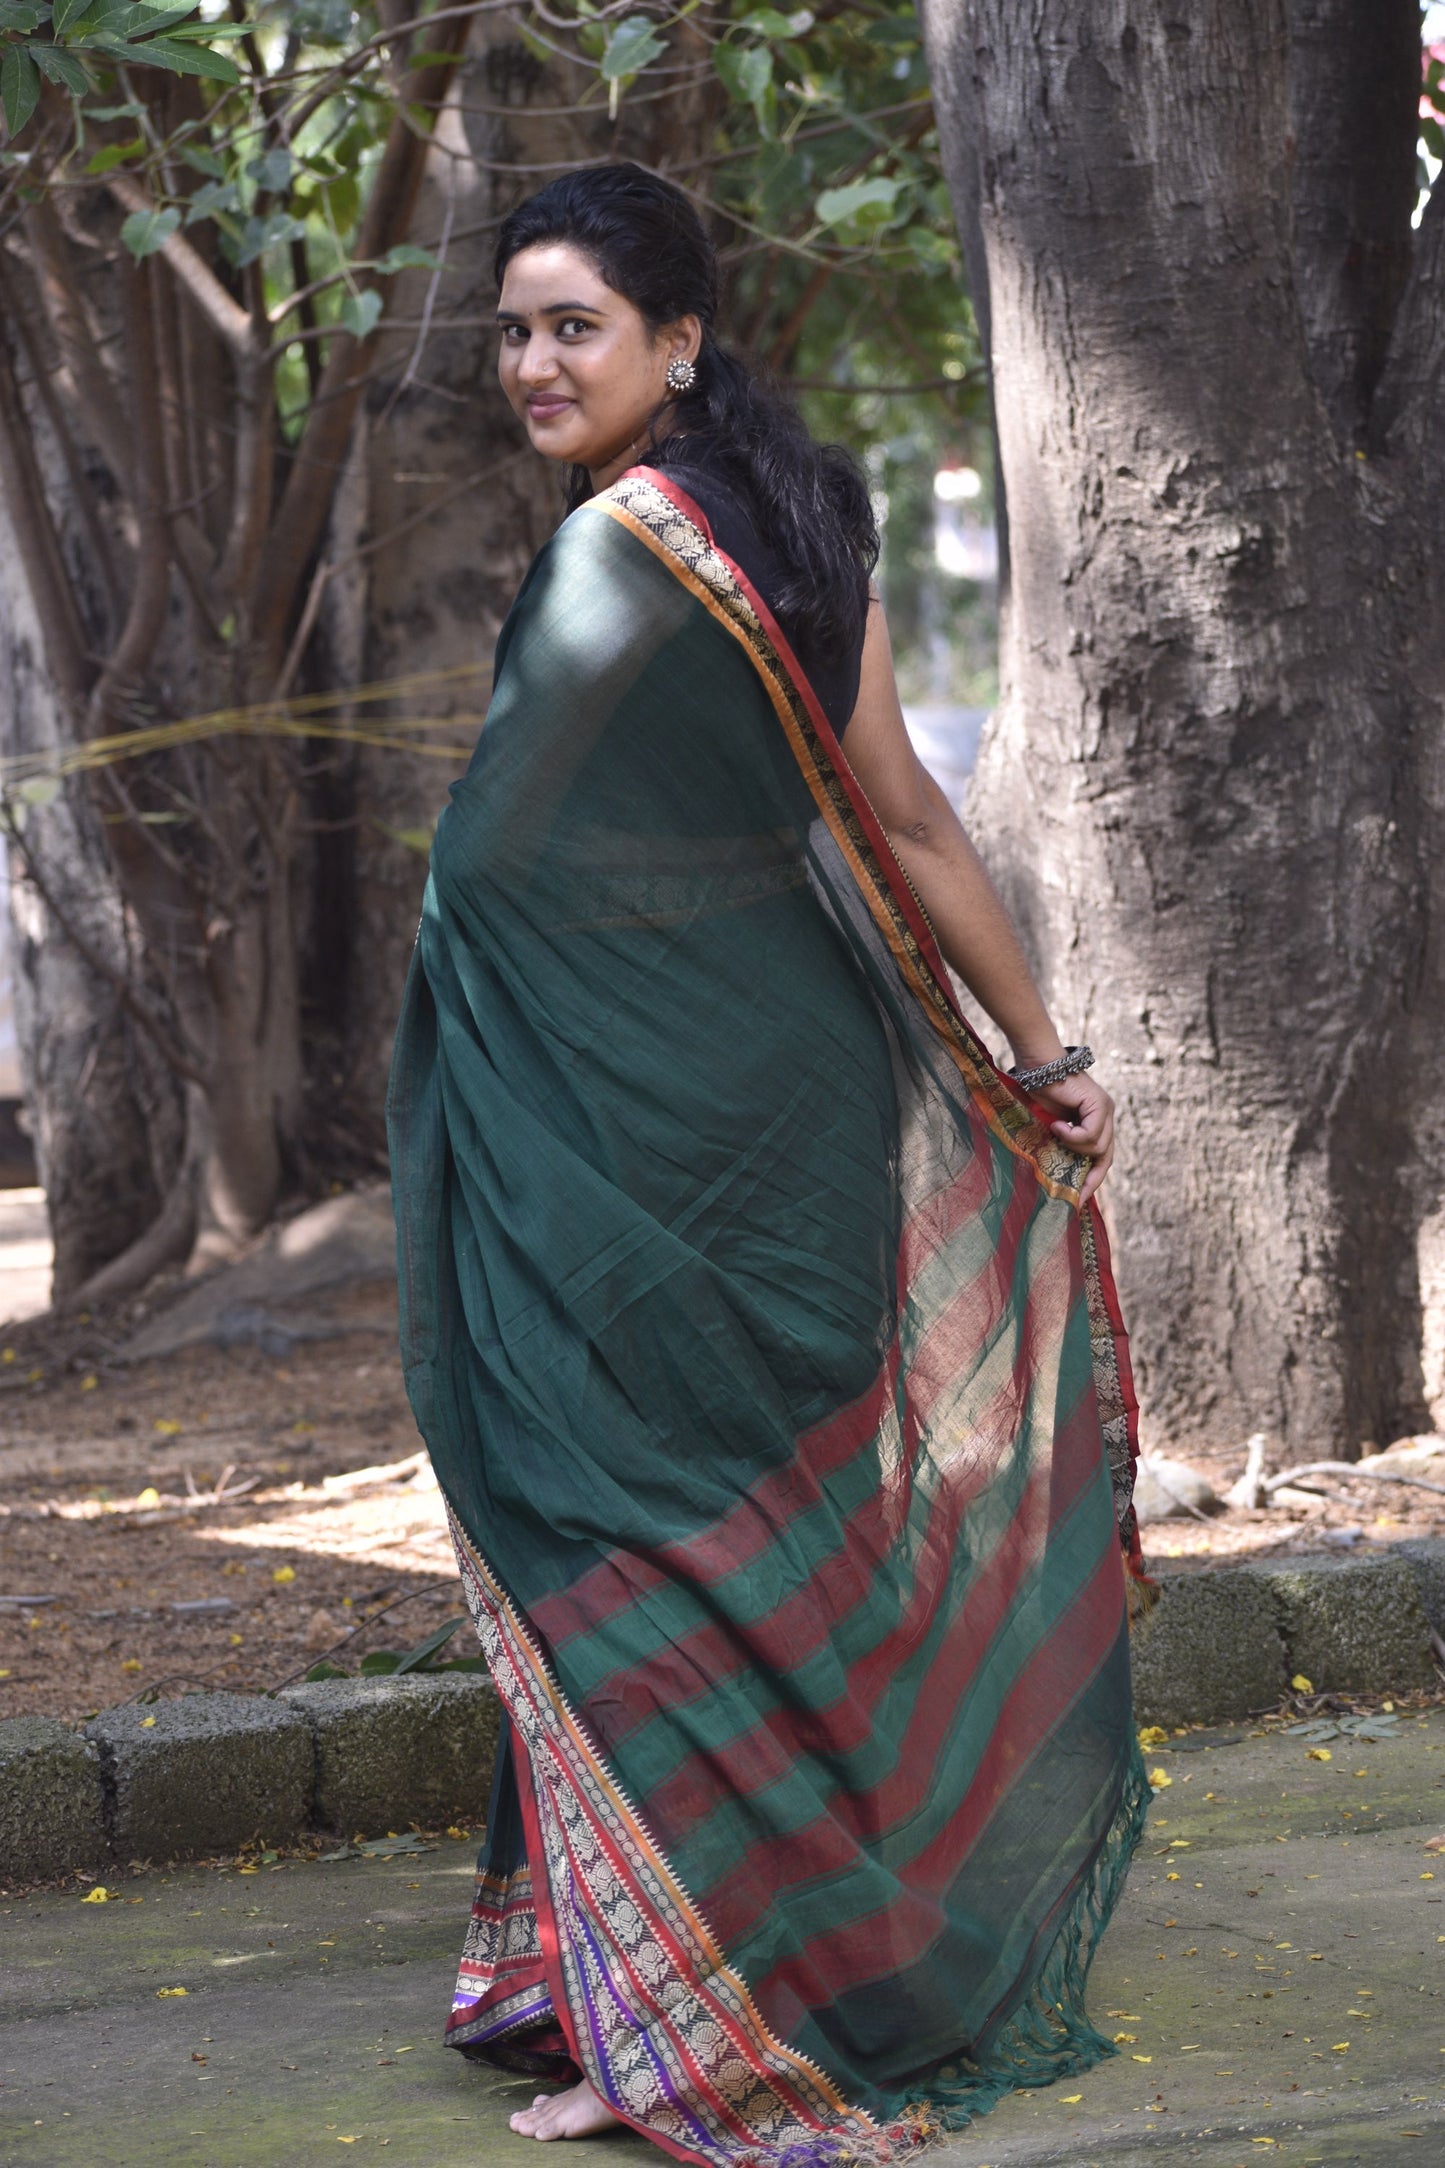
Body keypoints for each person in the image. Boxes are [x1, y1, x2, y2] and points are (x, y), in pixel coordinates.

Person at [388, 161, 1153, 2164]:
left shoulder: (609, 561)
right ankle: (743, 1971)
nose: (534, 362)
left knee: (619, 1536)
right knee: (764, 1560)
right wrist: (1036, 1053)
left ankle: (681, 2025)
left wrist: (474, 1039)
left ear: (678, 345)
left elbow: (492, 872)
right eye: (514, 328)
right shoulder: (799, 529)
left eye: (574, 326)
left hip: (641, 1142)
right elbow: (903, 817)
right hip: (801, 1121)